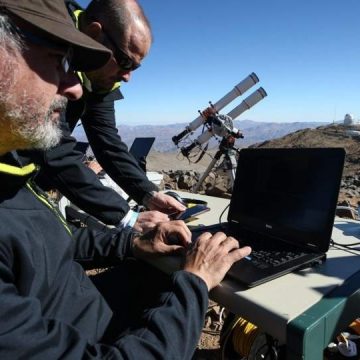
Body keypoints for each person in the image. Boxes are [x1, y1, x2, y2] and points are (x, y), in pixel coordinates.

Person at [0, 2, 252, 359]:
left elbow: (50, 242)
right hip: (89, 332)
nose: (73, 89)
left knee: (154, 273)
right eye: (59, 60)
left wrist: (134, 238)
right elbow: (58, 154)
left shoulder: (14, 181)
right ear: (96, 33)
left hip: (82, 303)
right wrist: (194, 285)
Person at [18, 0, 186, 233]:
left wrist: (148, 194)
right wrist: (127, 217)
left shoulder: (102, 75)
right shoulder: (43, 34)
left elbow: (107, 142)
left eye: (135, 68)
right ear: (93, 33)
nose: (127, 77)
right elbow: (53, 147)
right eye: (126, 62)